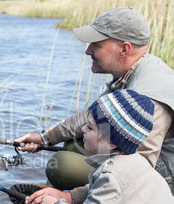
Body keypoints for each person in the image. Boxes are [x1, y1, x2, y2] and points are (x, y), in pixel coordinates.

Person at [15, 7, 174, 194]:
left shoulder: (148, 97)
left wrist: (72, 199)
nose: (88, 51)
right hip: (133, 160)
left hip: (159, 175)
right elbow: (93, 115)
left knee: (61, 166)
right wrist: (45, 137)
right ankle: (50, 192)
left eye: (96, 45)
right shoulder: (133, 70)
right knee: (75, 142)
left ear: (124, 49)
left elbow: (137, 174)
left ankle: (56, 196)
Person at [8, 90, 174, 204]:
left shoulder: (114, 174)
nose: (82, 129)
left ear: (111, 142)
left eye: (90, 127)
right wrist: (65, 197)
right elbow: (104, 194)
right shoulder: (132, 162)